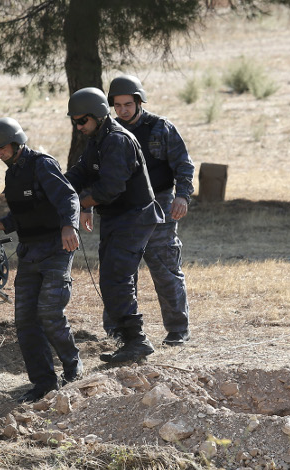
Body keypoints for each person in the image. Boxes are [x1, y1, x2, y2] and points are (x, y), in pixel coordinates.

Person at [0, 117, 83, 403]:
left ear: (16, 141)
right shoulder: (13, 175)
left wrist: (69, 226)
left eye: (2, 148)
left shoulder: (42, 165)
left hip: (57, 249)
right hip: (30, 252)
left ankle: (72, 366)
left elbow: (69, 198)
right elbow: (23, 214)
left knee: (49, 311)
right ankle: (43, 383)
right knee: (25, 321)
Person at [64, 87, 164, 364]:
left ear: (97, 115)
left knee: (116, 279)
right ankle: (130, 339)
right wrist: (55, 187)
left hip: (133, 217)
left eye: (82, 120)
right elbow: (81, 172)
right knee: (113, 278)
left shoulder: (117, 140)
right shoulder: (98, 138)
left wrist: (82, 204)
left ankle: (137, 341)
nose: (78, 126)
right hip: (118, 217)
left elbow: (111, 187)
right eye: (75, 121)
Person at [107, 74, 194, 346]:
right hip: (123, 209)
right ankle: (119, 333)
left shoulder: (161, 128)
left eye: (128, 104)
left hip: (160, 206)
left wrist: (182, 197)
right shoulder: (109, 132)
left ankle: (178, 330)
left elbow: (184, 165)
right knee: (120, 273)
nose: (123, 110)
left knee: (166, 269)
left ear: (139, 102)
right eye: (117, 105)